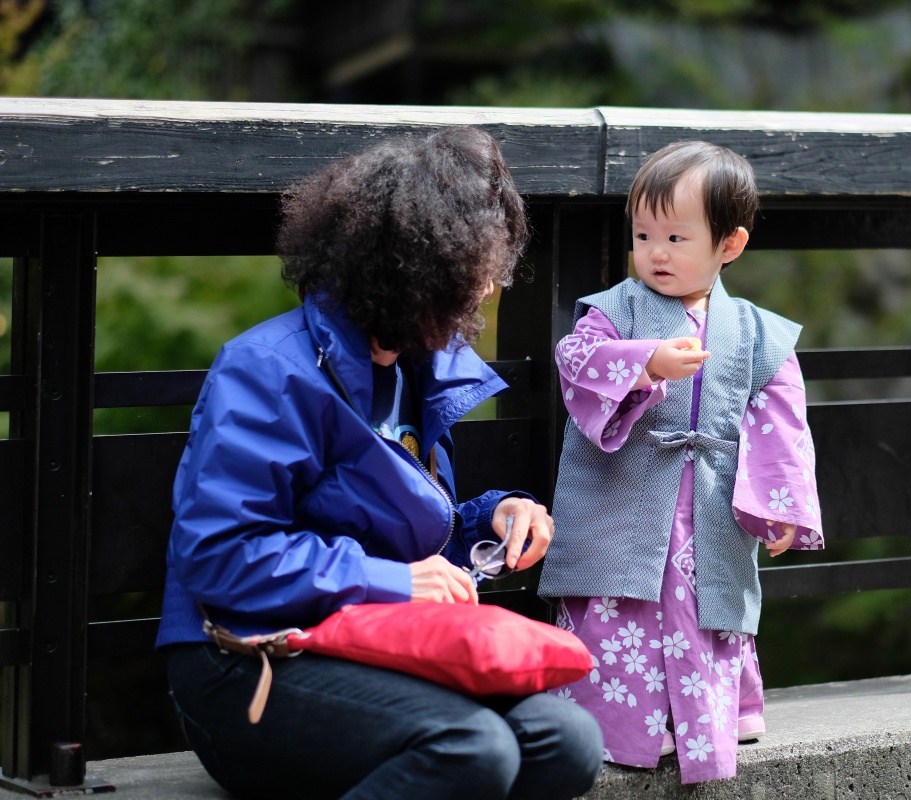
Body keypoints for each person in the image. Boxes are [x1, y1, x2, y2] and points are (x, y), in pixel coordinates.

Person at [156, 127, 604, 800]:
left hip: (370, 637)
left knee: (568, 742)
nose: (487, 288)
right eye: (476, 270)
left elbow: (406, 537)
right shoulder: (266, 369)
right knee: (470, 750)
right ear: (419, 271)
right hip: (242, 659)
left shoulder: (416, 367)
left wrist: (494, 518)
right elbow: (220, 555)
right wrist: (389, 579)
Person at [537, 140, 824, 784]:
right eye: (643, 234)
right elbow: (575, 362)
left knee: (706, 602)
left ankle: (706, 720)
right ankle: (621, 723)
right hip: (626, 497)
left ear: (730, 243)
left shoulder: (756, 331)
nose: (656, 252)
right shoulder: (613, 311)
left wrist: (782, 506)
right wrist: (643, 362)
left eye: (675, 235)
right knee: (624, 600)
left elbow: (781, 419)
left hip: (711, 501)